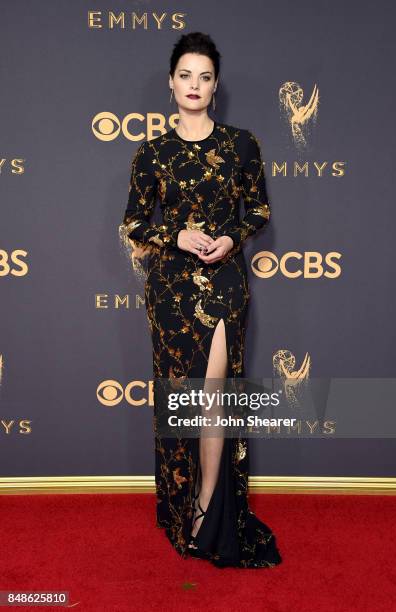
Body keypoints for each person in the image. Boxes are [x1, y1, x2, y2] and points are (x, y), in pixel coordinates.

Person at [119, 31, 282, 569]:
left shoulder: (242, 144)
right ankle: (181, 503)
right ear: (171, 84)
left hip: (225, 284)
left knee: (213, 397)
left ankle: (210, 507)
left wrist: (232, 238)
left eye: (204, 76)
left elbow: (257, 212)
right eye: (185, 75)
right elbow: (135, 222)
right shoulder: (153, 152)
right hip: (169, 288)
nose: (194, 85)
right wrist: (176, 236)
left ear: (216, 85)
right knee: (181, 401)